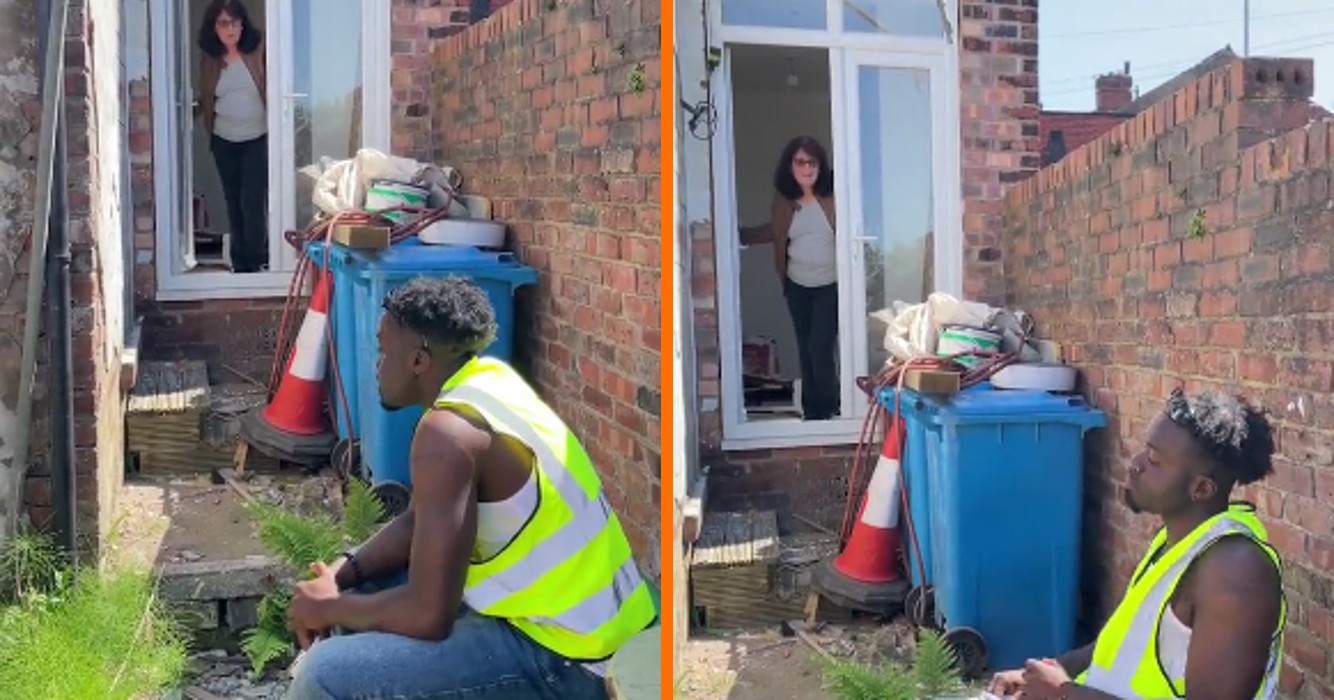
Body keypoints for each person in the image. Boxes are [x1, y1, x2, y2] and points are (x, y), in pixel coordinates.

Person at [283, 276, 658, 699]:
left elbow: (428, 615)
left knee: (323, 674)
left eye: (383, 351)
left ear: (419, 361)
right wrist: (340, 574)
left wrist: (326, 607)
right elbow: (423, 519)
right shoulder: (491, 380)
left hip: (570, 660)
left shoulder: (448, 434)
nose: (376, 365)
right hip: (597, 625)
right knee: (362, 593)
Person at [988, 389, 1286, 699]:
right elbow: (1124, 644)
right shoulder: (1176, 541)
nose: (1136, 464)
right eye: (1146, 449)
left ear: (1200, 488)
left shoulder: (1235, 571)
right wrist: (1050, 672)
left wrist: (1064, 693)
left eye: (1155, 460)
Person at [739, 135, 840, 420]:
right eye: (800, 162)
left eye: (812, 162)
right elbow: (776, 231)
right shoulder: (784, 201)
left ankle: (831, 406)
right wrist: (741, 236)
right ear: (790, 167)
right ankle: (813, 411)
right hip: (797, 286)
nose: (806, 168)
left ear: (820, 167)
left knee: (820, 346)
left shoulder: (834, 196)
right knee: (805, 348)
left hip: (830, 285)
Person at [196, 0, 269, 273]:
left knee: (253, 199)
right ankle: (241, 263)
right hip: (223, 139)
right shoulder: (209, 58)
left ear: (243, 24)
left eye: (235, 22)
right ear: (214, 28)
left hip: (257, 136)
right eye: (224, 23)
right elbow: (206, 95)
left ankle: (256, 259)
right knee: (233, 199)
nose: (230, 29)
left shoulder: (257, 49)